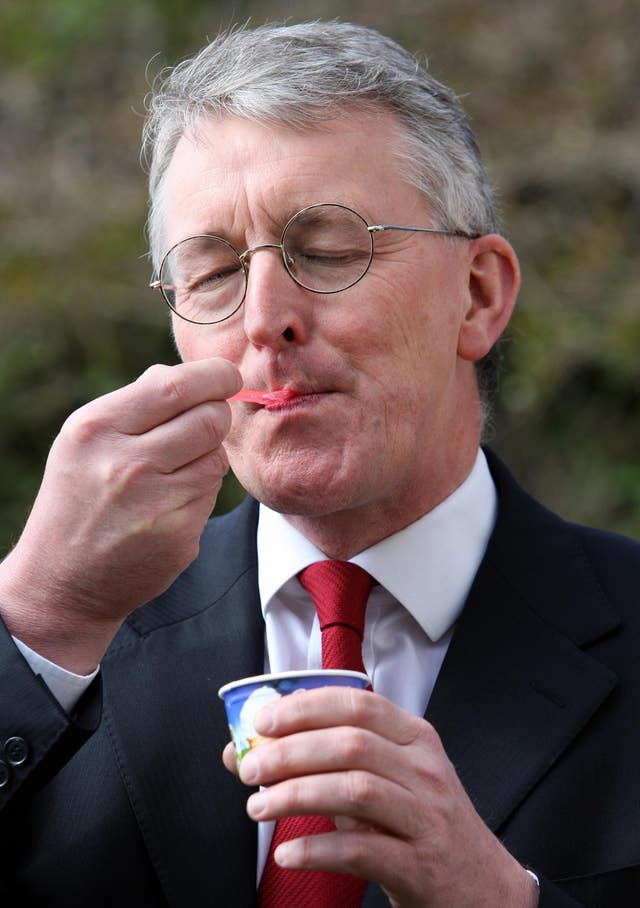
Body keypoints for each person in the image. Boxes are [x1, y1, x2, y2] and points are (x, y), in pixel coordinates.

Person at [0, 20, 638, 908]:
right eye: (214, 271)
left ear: (479, 296)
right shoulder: (67, 637)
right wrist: (33, 616)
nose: (265, 317)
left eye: (329, 250)